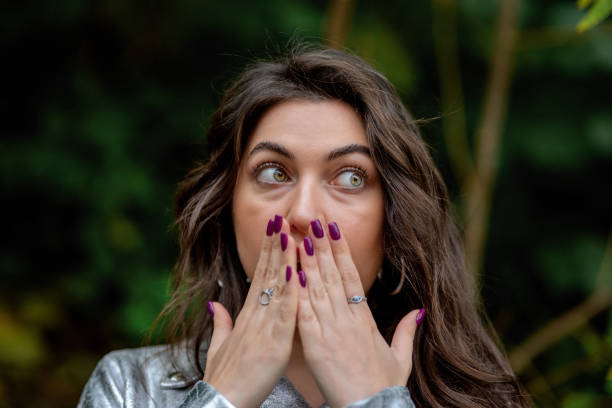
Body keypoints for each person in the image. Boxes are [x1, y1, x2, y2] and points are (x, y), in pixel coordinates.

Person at [78, 46, 532, 408]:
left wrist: (376, 403)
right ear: (226, 206)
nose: (303, 214)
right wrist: (221, 401)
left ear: (395, 219)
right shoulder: (130, 388)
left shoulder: (482, 400)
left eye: (351, 177)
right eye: (274, 172)